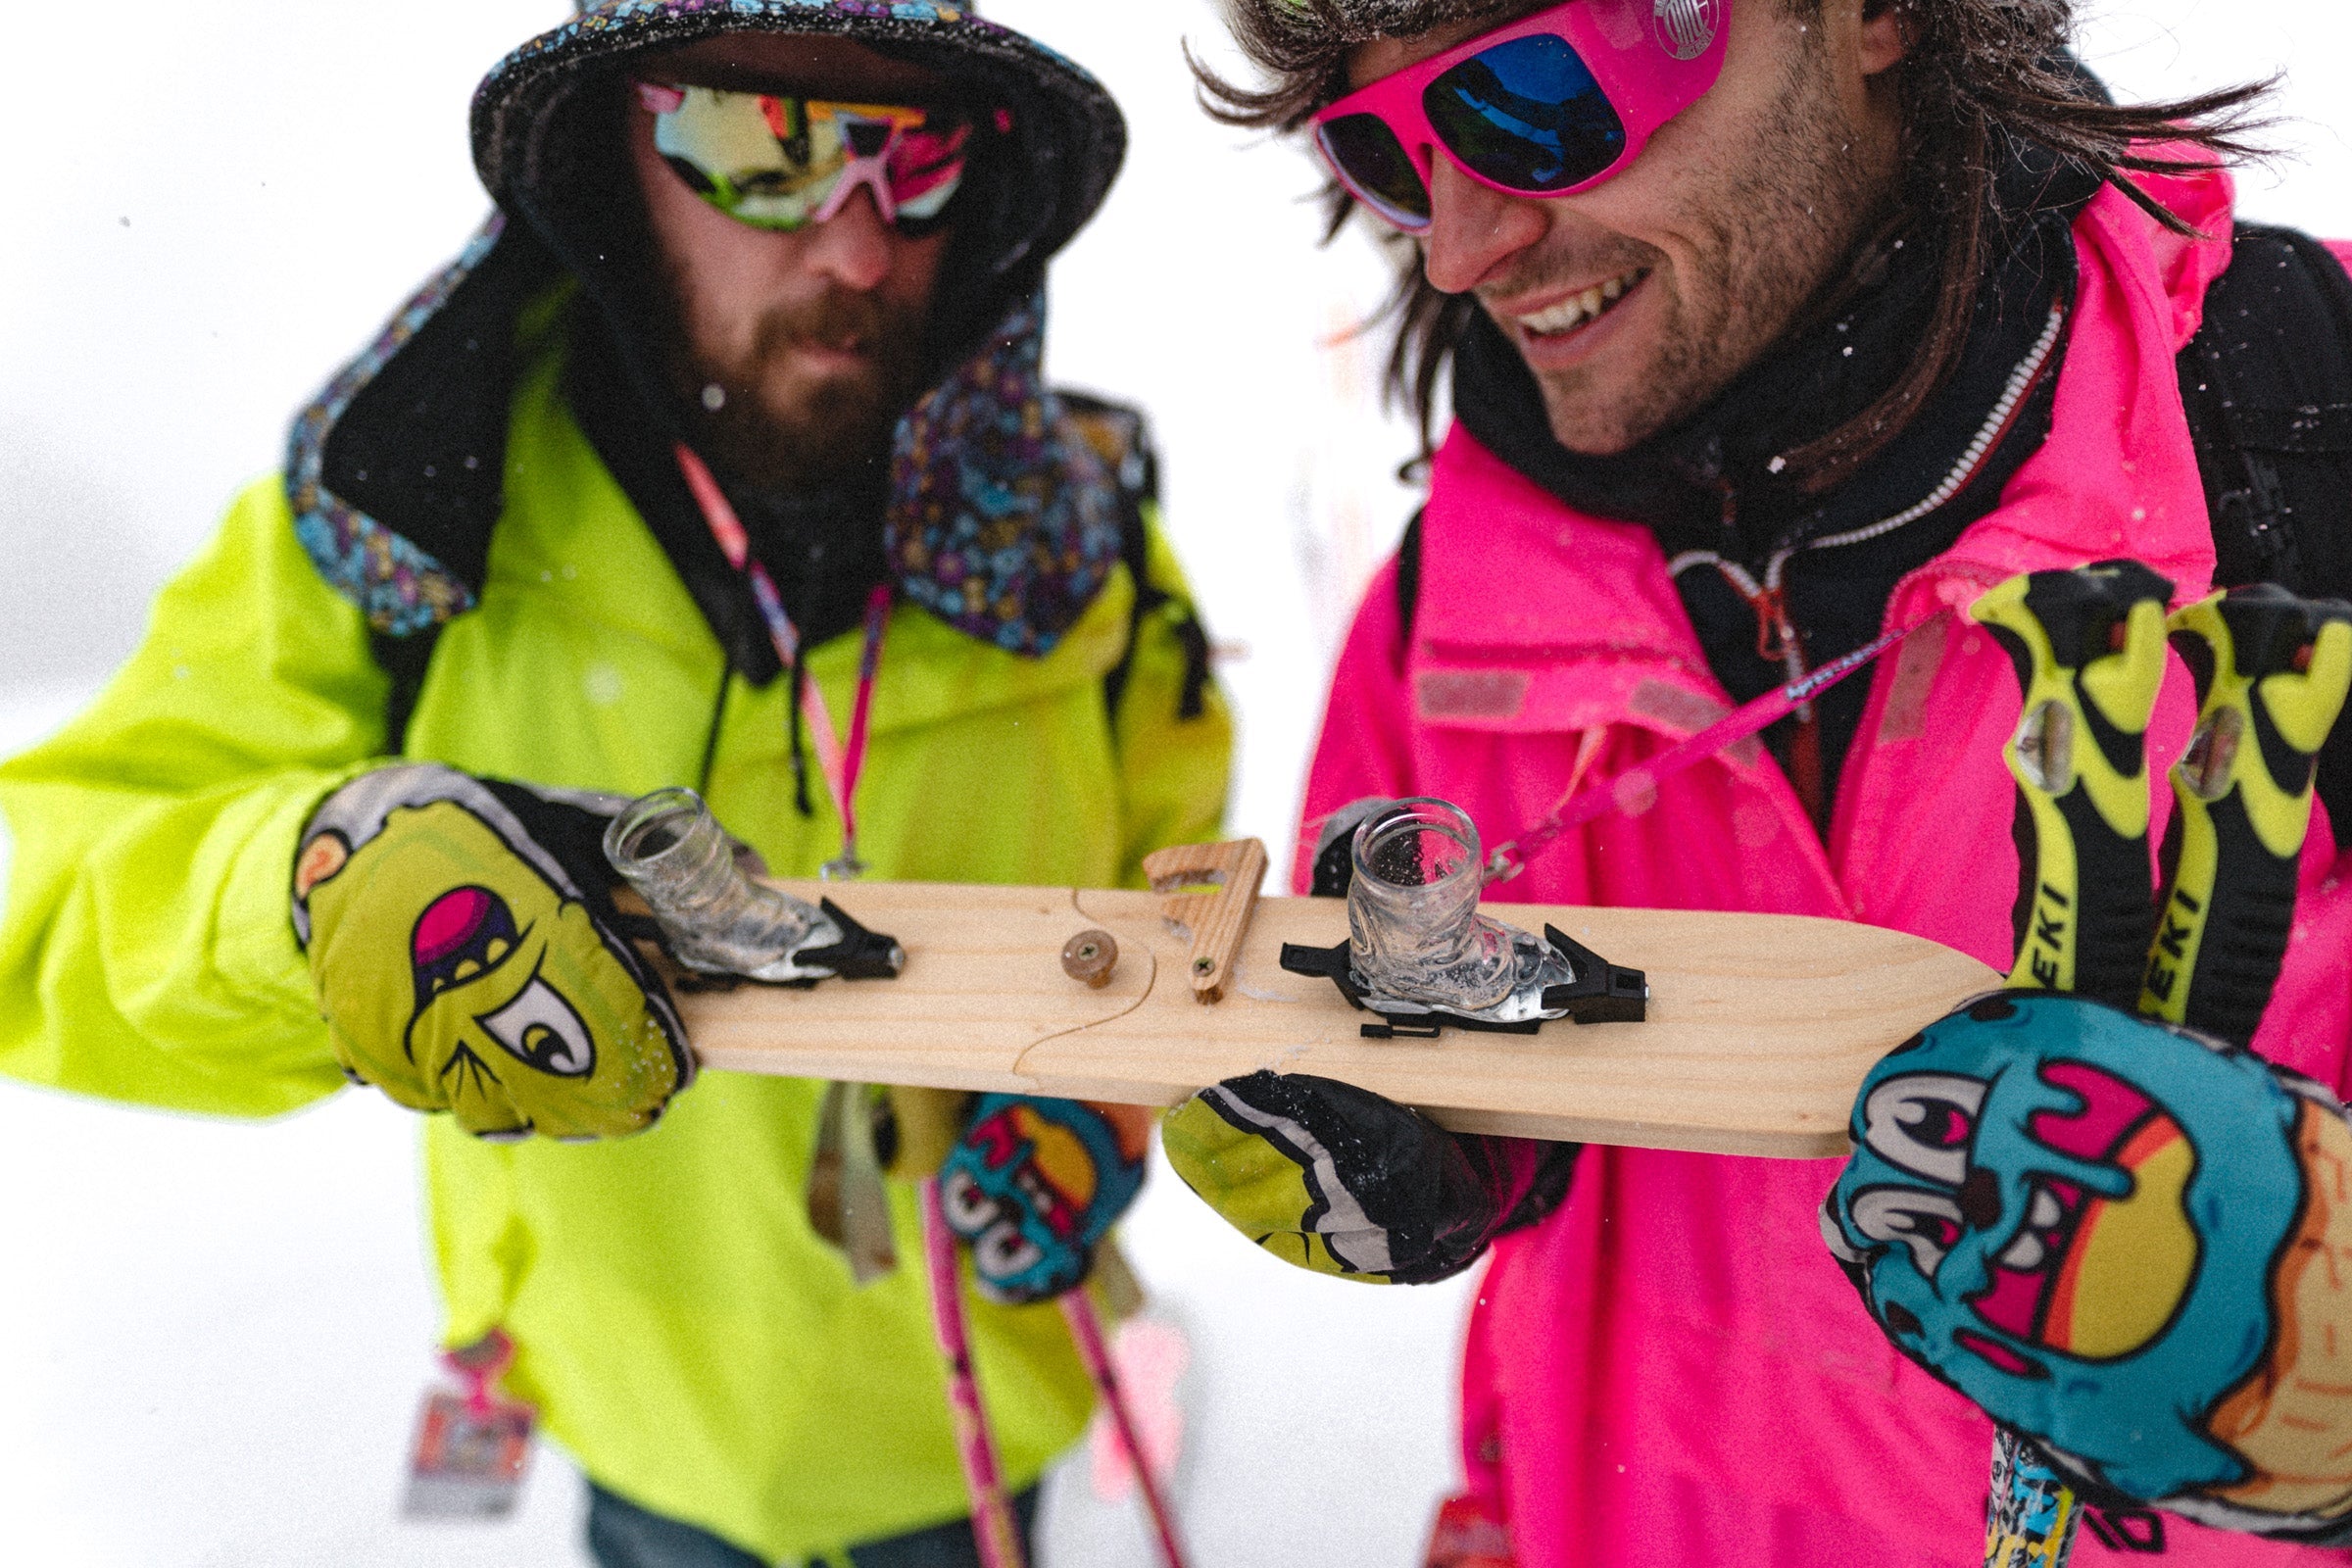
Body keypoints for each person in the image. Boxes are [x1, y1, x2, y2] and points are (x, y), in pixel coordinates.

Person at [0, 2, 1229, 1564]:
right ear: (606, 160)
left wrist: (1099, 1110)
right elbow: (44, 887)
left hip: (966, 1436)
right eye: (760, 147)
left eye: (913, 160)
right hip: (627, 1425)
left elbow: (1181, 904)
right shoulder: (410, 522)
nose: (855, 251)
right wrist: (321, 886)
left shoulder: (1081, 555)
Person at [1161, 0, 2352, 1562]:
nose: (1458, 248)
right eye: (1384, 148)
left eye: (1534, 95)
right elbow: (1451, 1112)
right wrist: (1457, 1150)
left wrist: (2304, 1358)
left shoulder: (2294, 435)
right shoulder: (1456, 592)